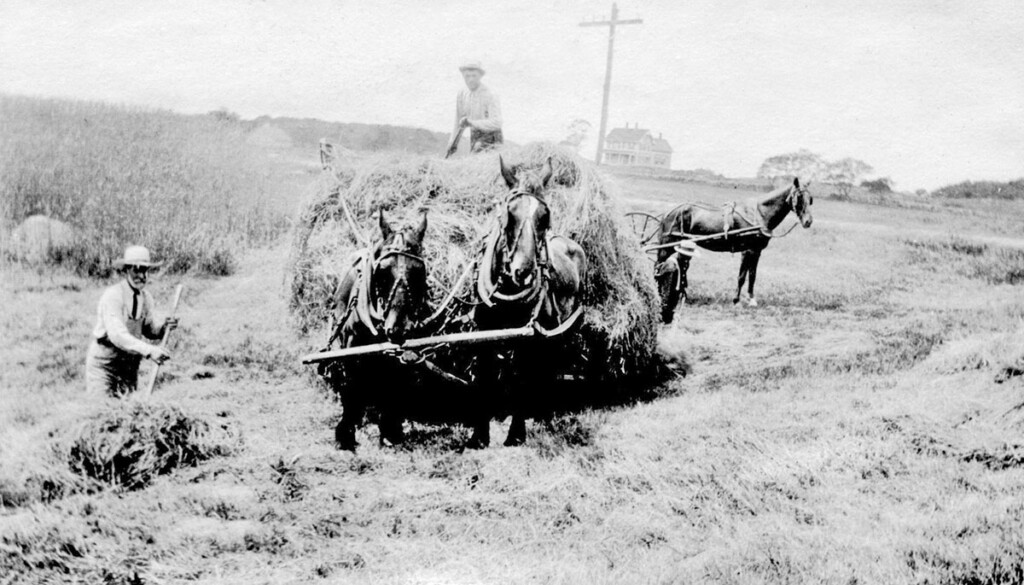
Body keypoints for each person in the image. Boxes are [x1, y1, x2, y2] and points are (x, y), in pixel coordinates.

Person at [85, 245, 178, 397]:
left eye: (144, 270)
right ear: (126, 270)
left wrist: (163, 328)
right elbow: (117, 336)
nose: (141, 276)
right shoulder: (114, 296)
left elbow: (148, 329)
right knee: (102, 412)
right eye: (136, 270)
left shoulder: (146, 298)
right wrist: (150, 350)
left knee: (127, 412)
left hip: (129, 365)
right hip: (105, 364)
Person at [447, 60, 503, 156]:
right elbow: (458, 120)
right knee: (473, 161)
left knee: (480, 160)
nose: (470, 79)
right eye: (467, 76)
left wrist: (471, 123)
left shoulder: (489, 94)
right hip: (475, 136)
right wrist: (452, 143)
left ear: (480, 76)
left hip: (492, 135)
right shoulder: (462, 94)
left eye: (474, 76)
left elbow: (497, 122)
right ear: (463, 76)